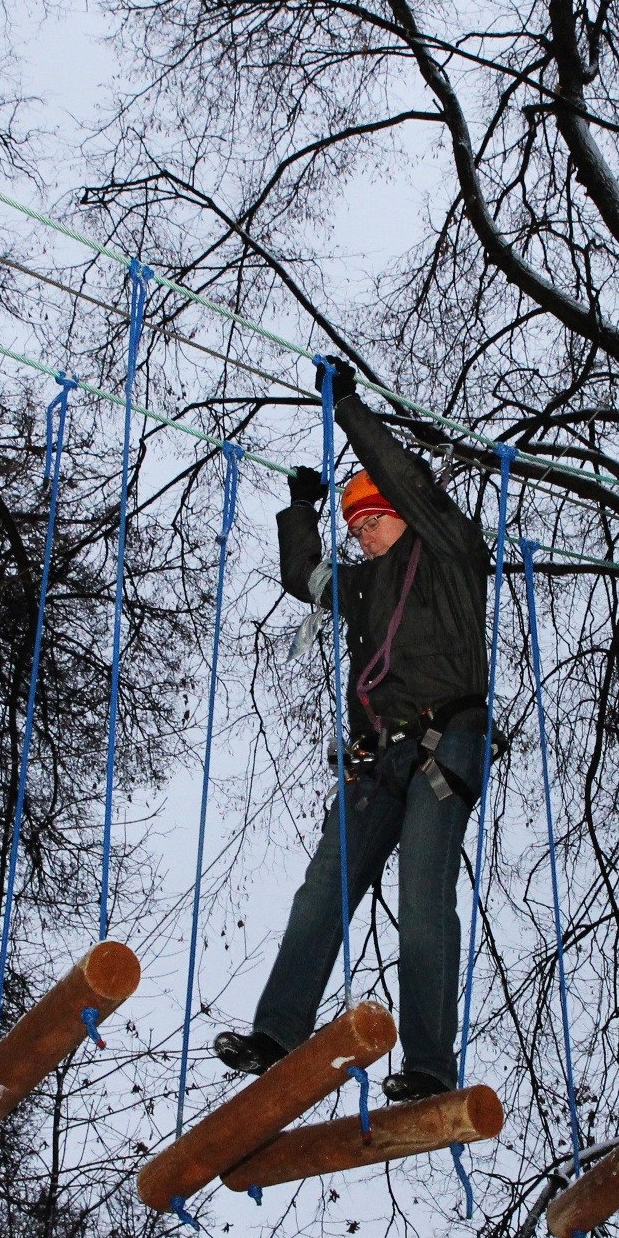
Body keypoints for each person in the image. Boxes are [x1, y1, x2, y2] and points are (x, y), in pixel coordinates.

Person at [214, 365, 490, 1102]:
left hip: (445, 741)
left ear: (403, 512)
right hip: (375, 756)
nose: (364, 535)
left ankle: (431, 1065)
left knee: (423, 904)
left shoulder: (451, 553)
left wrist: (348, 410)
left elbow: (409, 479)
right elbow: (306, 578)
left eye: (374, 519)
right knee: (322, 890)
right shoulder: (363, 588)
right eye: (356, 527)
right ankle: (277, 1032)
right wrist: (301, 508)